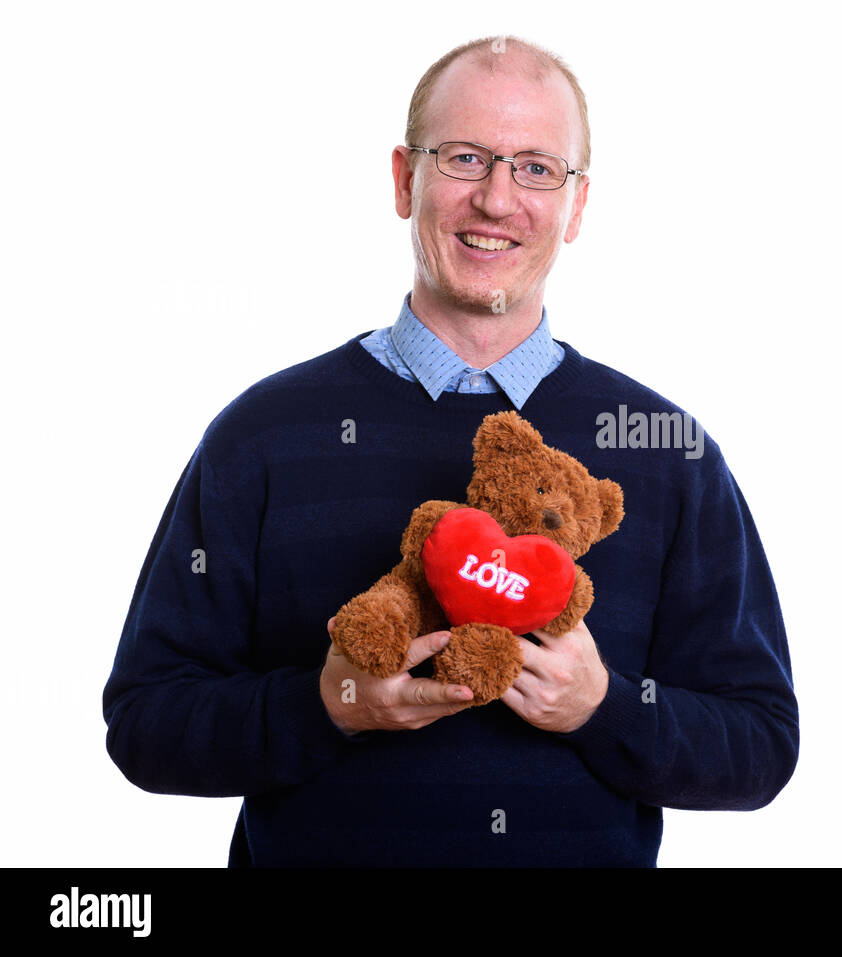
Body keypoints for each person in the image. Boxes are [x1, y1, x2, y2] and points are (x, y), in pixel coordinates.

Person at [103, 35, 798, 867]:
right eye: (465, 158)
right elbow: (145, 723)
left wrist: (603, 706)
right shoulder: (261, 436)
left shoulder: (667, 454)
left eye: (538, 167)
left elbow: (761, 743)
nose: (498, 199)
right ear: (406, 179)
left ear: (577, 205)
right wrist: (324, 705)